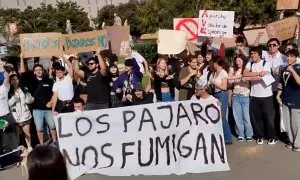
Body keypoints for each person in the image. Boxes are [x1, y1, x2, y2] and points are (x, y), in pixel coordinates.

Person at [19, 57, 57, 145]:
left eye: (40, 69)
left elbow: (54, 93)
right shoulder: (30, 81)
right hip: (37, 109)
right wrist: (21, 58)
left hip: (49, 109)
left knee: (52, 126)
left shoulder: (49, 80)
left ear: (43, 71)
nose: (39, 71)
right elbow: (23, 72)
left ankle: (55, 142)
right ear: (34, 72)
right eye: (37, 70)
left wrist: (51, 102)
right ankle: (42, 144)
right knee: (39, 128)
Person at [243, 46, 276, 145]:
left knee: (269, 118)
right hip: (254, 95)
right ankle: (260, 136)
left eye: (255, 54)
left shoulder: (266, 63)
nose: (252, 55)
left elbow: (262, 78)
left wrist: (249, 77)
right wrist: (258, 74)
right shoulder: (250, 63)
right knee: (257, 118)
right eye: (251, 54)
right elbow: (244, 73)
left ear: (259, 55)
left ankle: (272, 136)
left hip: (267, 96)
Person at [262, 38, 287, 139]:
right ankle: (270, 132)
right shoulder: (265, 55)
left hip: (279, 88)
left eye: (274, 45)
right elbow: (253, 49)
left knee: (278, 111)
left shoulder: (284, 58)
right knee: (268, 111)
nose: (272, 47)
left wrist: (280, 70)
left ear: (278, 45)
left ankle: (280, 133)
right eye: (270, 45)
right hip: (266, 88)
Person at [277, 49, 300, 151]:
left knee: (296, 123)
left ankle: (298, 144)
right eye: (288, 56)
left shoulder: (298, 68)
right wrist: (278, 95)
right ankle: (291, 141)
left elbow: (299, 82)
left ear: (296, 57)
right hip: (285, 98)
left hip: (296, 99)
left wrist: (293, 71)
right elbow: (281, 83)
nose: (289, 58)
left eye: (291, 56)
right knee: (287, 122)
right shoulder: (284, 68)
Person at [228, 54, 253, 141]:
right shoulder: (232, 69)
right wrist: (238, 77)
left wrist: (239, 78)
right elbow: (229, 79)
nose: (237, 62)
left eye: (239, 60)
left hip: (245, 95)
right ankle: (240, 134)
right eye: (236, 61)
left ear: (243, 61)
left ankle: (249, 134)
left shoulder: (247, 69)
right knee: (237, 116)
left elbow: (248, 78)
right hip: (235, 96)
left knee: (246, 116)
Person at [209, 57, 232, 144]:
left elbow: (224, 87)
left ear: (216, 63)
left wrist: (213, 81)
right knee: (216, 116)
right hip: (215, 95)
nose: (212, 64)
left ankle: (228, 138)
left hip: (222, 95)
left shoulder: (223, 73)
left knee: (222, 117)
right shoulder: (214, 73)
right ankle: (221, 135)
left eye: (212, 63)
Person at [8, 74, 34, 151]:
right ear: (10, 81)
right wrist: (13, 98)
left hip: (25, 115)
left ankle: (29, 147)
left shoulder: (23, 89)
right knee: (17, 136)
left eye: (17, 79)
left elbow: (30, 101)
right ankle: (18, 150)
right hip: (15, 118)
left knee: (27, 133)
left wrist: (27, 95)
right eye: (13, 79)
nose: (15, 81)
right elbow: (7, 104)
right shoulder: (8, 92)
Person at [0, 68, 19, 154]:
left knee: (12, 138)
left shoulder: (3, 88)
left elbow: (7, 78)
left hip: (6, 116)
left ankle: (16, 155)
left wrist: (3, 68)